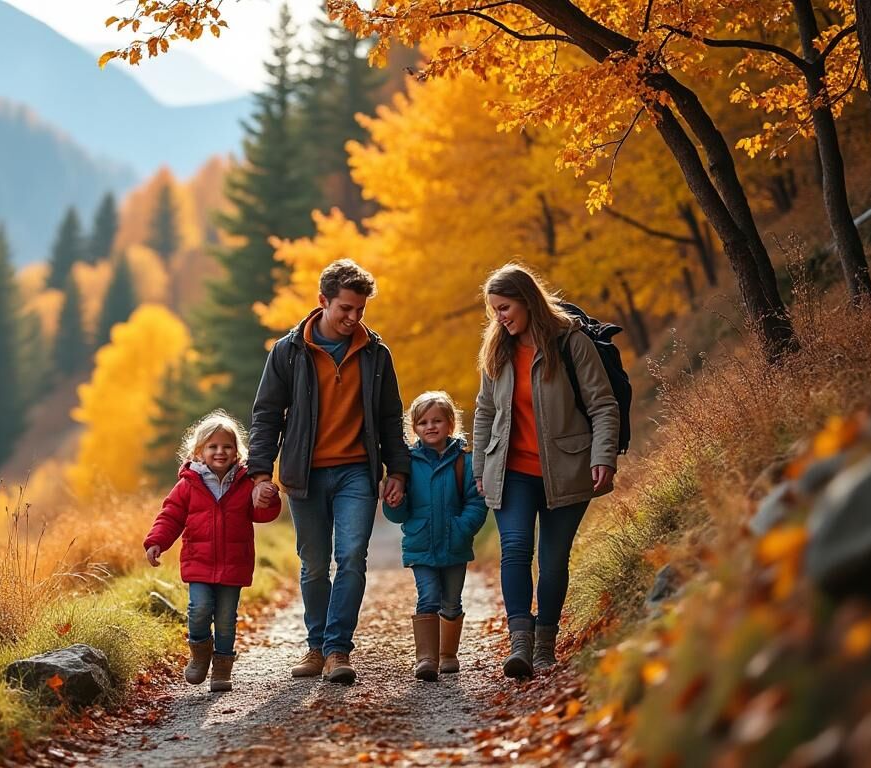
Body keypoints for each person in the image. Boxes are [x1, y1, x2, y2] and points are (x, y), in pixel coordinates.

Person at [248, 258, 411, 685]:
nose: (353, 318)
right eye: (345, 309)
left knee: (353, 556)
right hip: (306, 473)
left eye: (360, 310)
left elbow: (391, 417)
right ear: (323, 301)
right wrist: (260, 474)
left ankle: (339, 649)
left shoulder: (376, 354)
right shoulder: (288, 352)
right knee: (314, 564)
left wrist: (399, 471)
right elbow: (266, 415)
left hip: (357, 471)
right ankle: (316, 646)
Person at [472, 263, 620, 678]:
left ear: (527, 299)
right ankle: (519, 643)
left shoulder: (571, 343)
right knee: (516, 548)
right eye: (494, 310)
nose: (499, 317)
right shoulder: (497, 350)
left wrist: (602, 456)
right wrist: (479, 466)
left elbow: (602, 404)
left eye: (504, 307)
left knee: (553, 561)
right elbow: (485, 412)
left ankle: (544, 647)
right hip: (511, 469)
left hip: (568, 468)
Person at [144, 410, 282, 692]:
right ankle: (199, 653)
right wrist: (156, 541)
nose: (220, 452)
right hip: (199, 562)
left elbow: (262, 514)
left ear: (236, 451)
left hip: (234, 563)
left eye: (227, 446)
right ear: (199, 451)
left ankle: (222, 670)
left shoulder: (246, 484)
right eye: (213, 447)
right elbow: (170, 516)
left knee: (226, 620)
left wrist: (269, 498)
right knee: (198, 610)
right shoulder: (188, 484)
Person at [384, 391, 488, 681]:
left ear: (450, 424)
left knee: (452, 602)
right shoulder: (408, 463)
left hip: (455, 543)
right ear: (414, 428)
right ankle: (426, 658)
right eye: (423, 423)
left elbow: (476, 502)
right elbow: (399, 514)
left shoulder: (464, 462)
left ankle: (447, 654)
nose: (430, 427)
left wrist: (462, 528)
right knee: (428, 597)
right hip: (421, 544)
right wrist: (395, 502)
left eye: (437, 421)